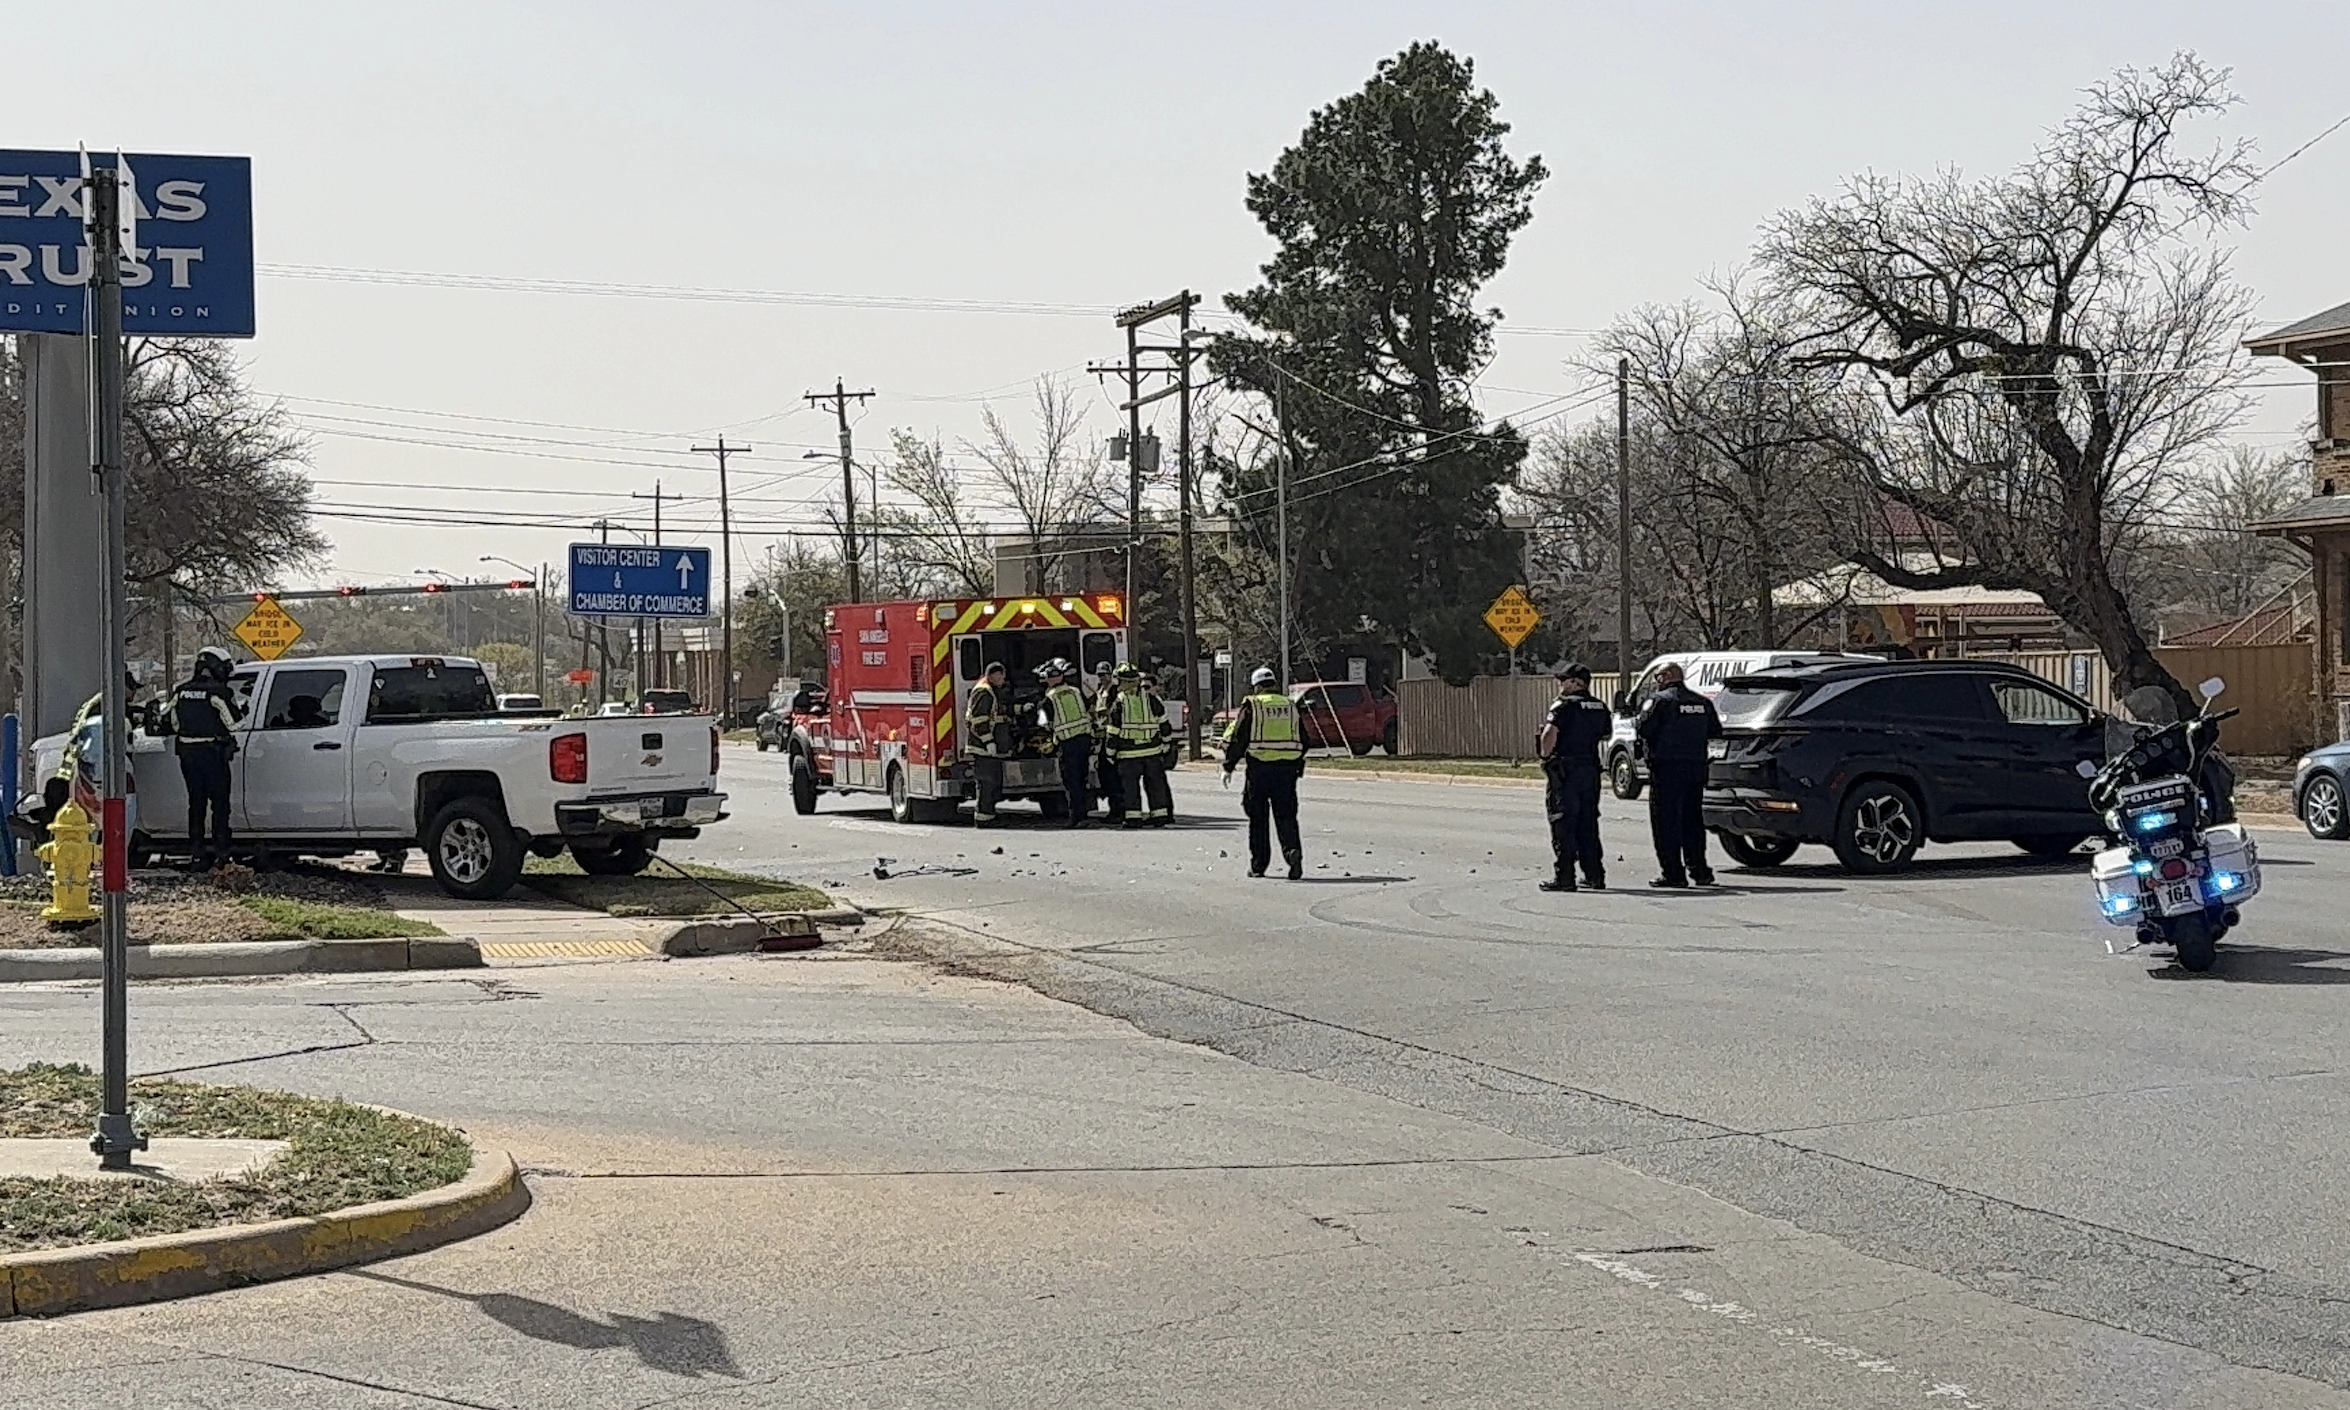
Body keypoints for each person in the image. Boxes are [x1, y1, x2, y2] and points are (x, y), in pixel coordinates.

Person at [1634, 660, 1721, 888]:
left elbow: (1643, 728)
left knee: (1666, 822)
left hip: (1666, 770)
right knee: (1692, 821)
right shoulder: (1702, 702)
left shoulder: (1659, 701)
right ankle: (1700, 871)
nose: (1657, 681)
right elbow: (1715, 731)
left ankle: (1673, 873)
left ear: (1667, 676)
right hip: (1695, 769)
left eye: (1658, 677)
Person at [1221, 666, 1305, 878]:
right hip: (1287, 771)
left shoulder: (1253, 705)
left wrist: (1228, 766)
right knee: (1287, 816)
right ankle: (1292, 853)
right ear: (1274, 684)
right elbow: (1305, 739)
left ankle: (1259, 865)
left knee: (1258, 818)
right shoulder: (1290, 705)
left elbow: (1240, 737)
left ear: (1256, 686)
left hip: (1260, 769)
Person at [167, 646, 244, 870]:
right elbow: (236, 724)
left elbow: (172, 723)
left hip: (187, 755)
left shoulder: (181, 691)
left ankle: (197, 855)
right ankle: (222, 854)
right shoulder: (219, 692)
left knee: (196, 804)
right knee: (220, 805)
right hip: (213, 753)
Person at [1537, 662, 1612, 891]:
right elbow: (1606, 733)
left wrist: (1545, 755)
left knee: (1563, 822)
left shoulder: (1563, 706)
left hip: (1566, 771)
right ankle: (1594, 875)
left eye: (1563, 680)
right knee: (1588, 822)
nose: (1560, 685)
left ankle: (1565, 877)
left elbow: (1549, 735)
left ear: (1574, 682)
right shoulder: (1599, 706)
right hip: (1590, 769)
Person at [1107, 663, 1172, 827]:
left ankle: (1133, 818)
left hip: (1128, 754)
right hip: (1153, 752)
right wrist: (1166, 744)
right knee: (1155, 786)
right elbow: (1164, 724)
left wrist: (1110, 752)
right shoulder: (1151, 699)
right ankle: (1159, 816)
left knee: (1130, 789)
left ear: (1123, 681)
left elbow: (1113, 730)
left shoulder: (1120, 702)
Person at [1037, 659, 1094, 828]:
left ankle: (1076, 817)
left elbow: (1044, 724)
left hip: (1068, 744)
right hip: (1084, 740)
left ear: (1048, 680)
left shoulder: (1048, 700)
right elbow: (1088, 709)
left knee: (1071, 781)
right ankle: (1084, 814)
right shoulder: (1076, 691)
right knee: (1082, 779)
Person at [966, 661, 1011, 827]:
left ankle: (988, 816)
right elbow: (979, 721)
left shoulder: (990, 691)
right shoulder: (984, 692)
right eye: (1001, 676)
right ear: (992, 675)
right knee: (987, 783)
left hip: (988, 749)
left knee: (992, 783)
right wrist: (989, 742)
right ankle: (983, 819)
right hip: (982, 748)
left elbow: (999, 712)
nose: (1003, 679)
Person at [1092, 663, 1127, 824]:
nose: (1102, 678)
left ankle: (1118, 811)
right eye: (1100, 675)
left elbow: (1113, 711)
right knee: (1104, 775)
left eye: (1105, 674)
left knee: (1112, 777)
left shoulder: (1114, 691)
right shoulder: (1100, 691)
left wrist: (1102, 712)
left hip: (1111, 736)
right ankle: (1114, 810)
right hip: (1101, 737)